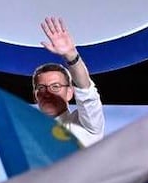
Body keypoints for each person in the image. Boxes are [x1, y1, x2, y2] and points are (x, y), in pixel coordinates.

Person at [32, 17, 105, 146]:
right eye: (42, 88)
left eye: (55, 86)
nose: (48, 93)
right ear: (35, 95)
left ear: (70, 92)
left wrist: (71, 55)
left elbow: (86, 92)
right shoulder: (27, 135)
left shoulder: (86, 126)